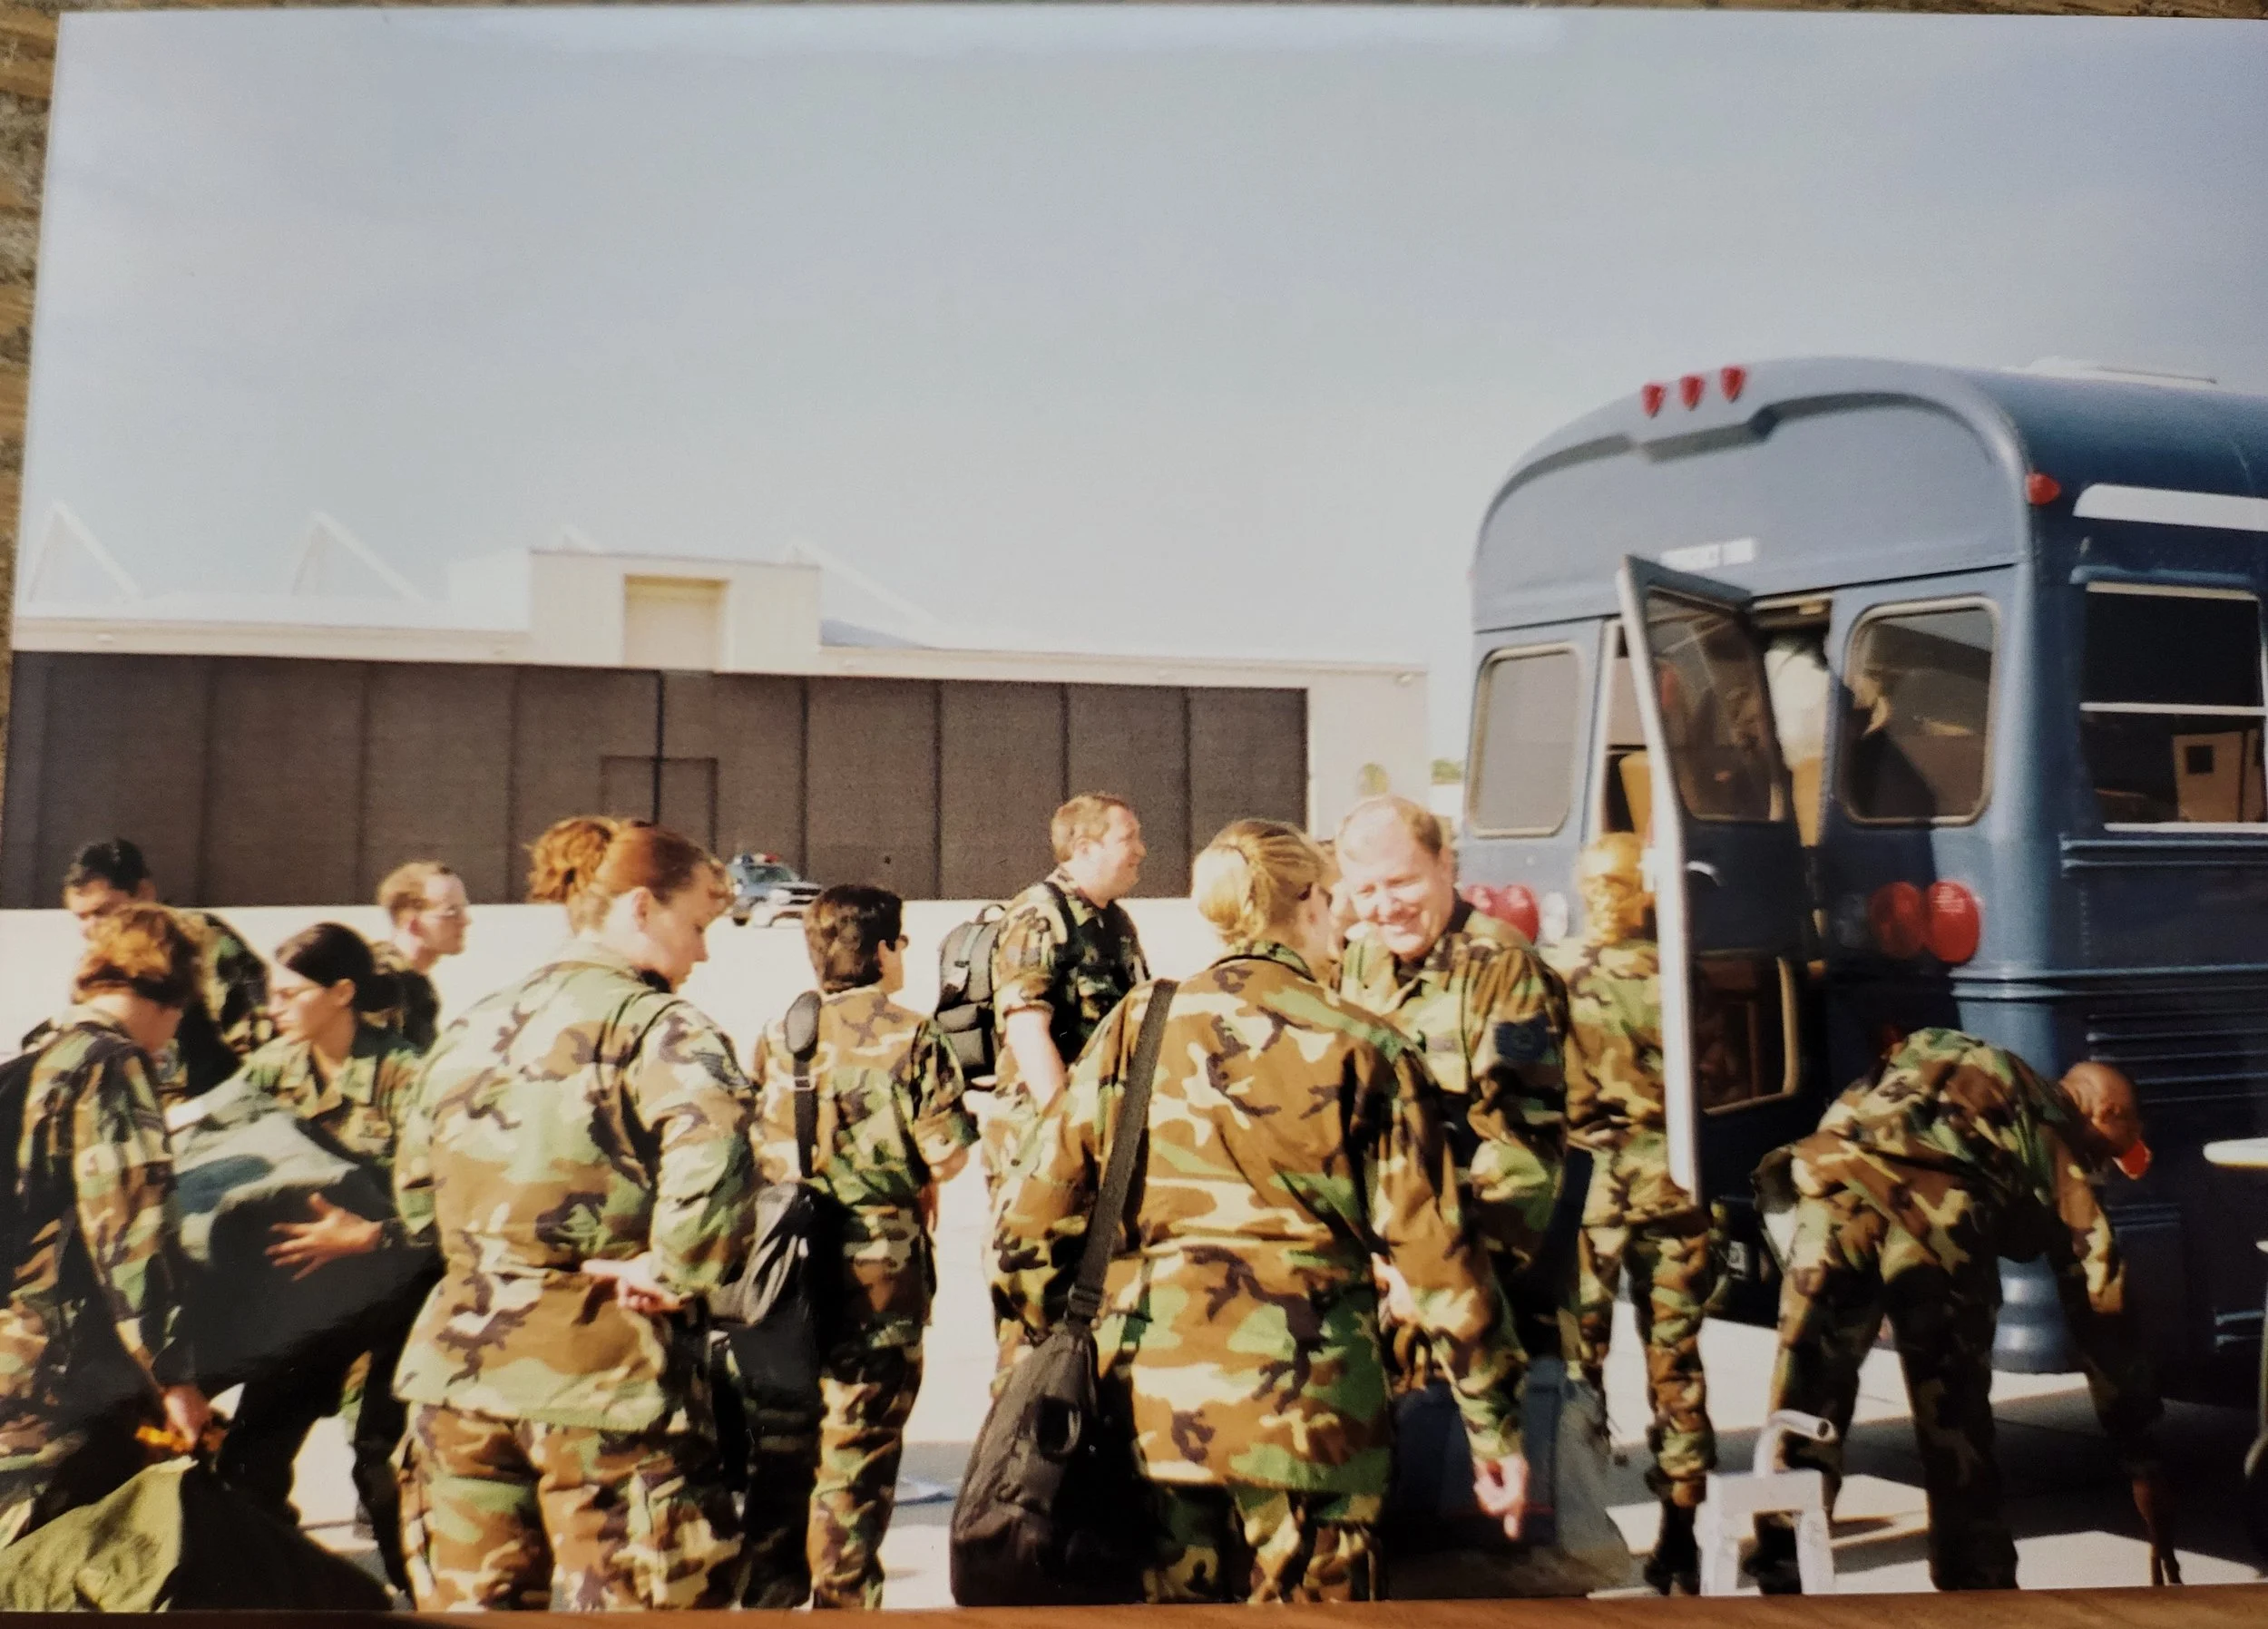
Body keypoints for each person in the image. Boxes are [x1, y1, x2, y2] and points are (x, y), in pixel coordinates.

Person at [992, 820, 1529, 1604]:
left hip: (1153, 1417)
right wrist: (1493, 1425)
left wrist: (1050, 1355)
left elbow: (1027, 1228)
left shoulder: (1137, 1026)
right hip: (1316, 1428)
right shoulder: (1365, 1044)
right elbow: (1439, 1261)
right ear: (1310, 901)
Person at [390, 817, 758, 1610]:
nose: (701, 952)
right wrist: (678, 1266)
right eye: (695, 925)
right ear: (638, 908)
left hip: (456, 1382)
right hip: (604, 1386)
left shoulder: (470, 1025)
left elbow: (416, 1198)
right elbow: (717, 1150)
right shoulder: (659, 1027)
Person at [1751, 1029, 2175, 1593]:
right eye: (2114, 1147)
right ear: (2107, 1111)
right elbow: (2100, 1296)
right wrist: (2142, 1458)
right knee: (1955, 1430)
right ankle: (1977, 1593)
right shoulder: (2055, 1129)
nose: (2104, 1166)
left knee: (1804, 1407)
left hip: (1829, 1195)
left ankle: (1782, 1578)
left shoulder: (1936, 1049)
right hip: (1937, 1225)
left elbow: (1847, 1110)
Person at [739, 885, 977, 1610]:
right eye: (899, 942)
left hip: (786, 1266)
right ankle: (845, 1605)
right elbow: (947, 1155)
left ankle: (771, 1599)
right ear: (879, 950)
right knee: (859, 1447)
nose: (903, 954)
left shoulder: (781, 1031)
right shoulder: (913, 1035)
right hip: (881, 1272)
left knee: (786, 1440)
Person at [212, 922, 430, 1592]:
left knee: (384, 1469)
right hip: (304, 1304)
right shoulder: (270, 1070)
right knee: (248, 1464)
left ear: (341, 993)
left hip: (396, 1304)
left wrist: (370, 1237)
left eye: (288, 992)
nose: (272, 1007)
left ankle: (423, 1602)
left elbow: (456, 1202)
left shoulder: (410, 1078)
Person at [0, 904, 210, 1548]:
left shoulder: (32, 1060)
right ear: (171, 996)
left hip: (10, 1358)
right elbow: (129, 1235)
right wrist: (175, 1377)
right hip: (55, 1376)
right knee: (46, 1564)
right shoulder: (109, 1064)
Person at [1333, 796, 1571, 1361]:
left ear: (1445, 866)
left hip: (1482, 1285)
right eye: (1366, 891)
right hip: (1387, 1280)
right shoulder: (1360, 965)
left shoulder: (1502, 968)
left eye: (1401, 882)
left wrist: (1444, 1279)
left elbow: (1525, 1149)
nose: (1386, 907)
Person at [1553, 834, 1715, 1595]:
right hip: (1671, 1184)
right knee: (1674, 1365)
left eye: (1612, 886)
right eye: (1598, 886)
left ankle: (1589, 1526)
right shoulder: (1679, 974)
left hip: (1590, 1191)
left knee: (1580, 1368)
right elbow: (1716, 1073)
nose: (1604, 899)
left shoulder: (1556, 972)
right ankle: (1681, 1534)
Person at [982, 794, 1149, 1197]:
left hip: (1098, 1139)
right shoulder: (1039, 915)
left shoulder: (1115, 921)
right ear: (1085, 848)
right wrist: (1068, 1134)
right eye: (1128, 839)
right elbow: (1027, 1033)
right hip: (1041, 1148)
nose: (1140, 851)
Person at [50, 839, 273, 1102]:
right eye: (81, 917)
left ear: (144, 893)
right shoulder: (96, 967)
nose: (90, 928)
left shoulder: (198, 941)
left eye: (102, 911)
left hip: (209, 1117)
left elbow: (260, 1038)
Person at [368, 862, 471, 1052]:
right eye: (452, 911)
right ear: (414, 922)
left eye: (462, 909)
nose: (466, 921)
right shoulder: (382, 982)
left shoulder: (412, 981)